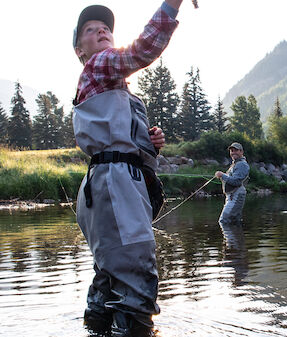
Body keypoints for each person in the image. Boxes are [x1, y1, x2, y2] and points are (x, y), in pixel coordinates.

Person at [71, 1, 183, 336]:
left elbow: (121, 138)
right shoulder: (99, 65)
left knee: (109, 275)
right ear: (80, 49)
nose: (102, 30)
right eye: (90, 29)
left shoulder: (114, 88)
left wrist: (150, 143)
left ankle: (97, 328)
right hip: (115, 185)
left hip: (103, 186)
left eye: (105, 27)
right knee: (137, 273)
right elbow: (142, 50)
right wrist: (172, 4)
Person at [215, 142, 250, 226]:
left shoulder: (241, 164)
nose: (233, 152)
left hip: (236, 196)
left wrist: (222, 175)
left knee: (224, 221)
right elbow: (232, 178)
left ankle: (231, 239)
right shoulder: (236, 164)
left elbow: (236, 181)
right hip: (232, 196)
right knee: (234, 221)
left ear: (241, 152)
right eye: (231, 151)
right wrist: (223, 176)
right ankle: (236, 238)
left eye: (236, 150)